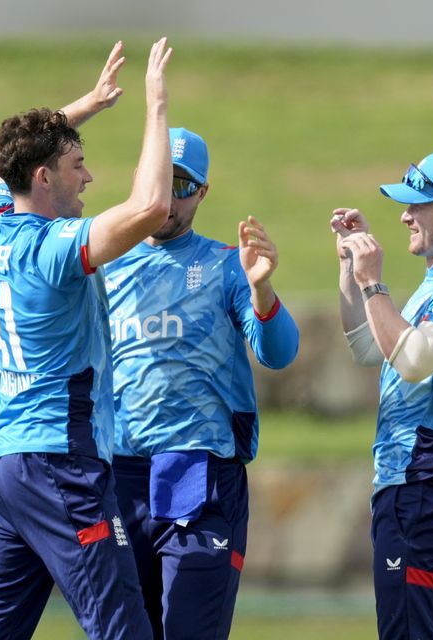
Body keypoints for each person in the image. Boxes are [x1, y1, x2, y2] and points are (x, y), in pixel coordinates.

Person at [0, 39, 172, 640]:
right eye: (78, 165)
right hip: (61, 463)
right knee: (123, 626)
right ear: (43, 176)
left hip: (5, 462)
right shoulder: (51, 248)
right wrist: (155, 106)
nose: (89, 176)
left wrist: (85, 106)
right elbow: (152, 206)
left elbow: (5, 162)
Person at [105, 127, 299, 639]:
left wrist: (262, 289)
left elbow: (279, 353)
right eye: (160, 182)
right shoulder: (102, 264)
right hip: (120, 473)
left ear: (204, 193)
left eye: (184, 187)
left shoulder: (225, 266)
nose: (168, 199)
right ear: (139, 180)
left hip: (201, 470)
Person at [331, 150, 433, 638]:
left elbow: (414, 358)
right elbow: (368, 345)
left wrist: (373, 281)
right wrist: (350, 269)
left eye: (417, 205)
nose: (404, 215)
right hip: (422, 494)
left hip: (427, 493)